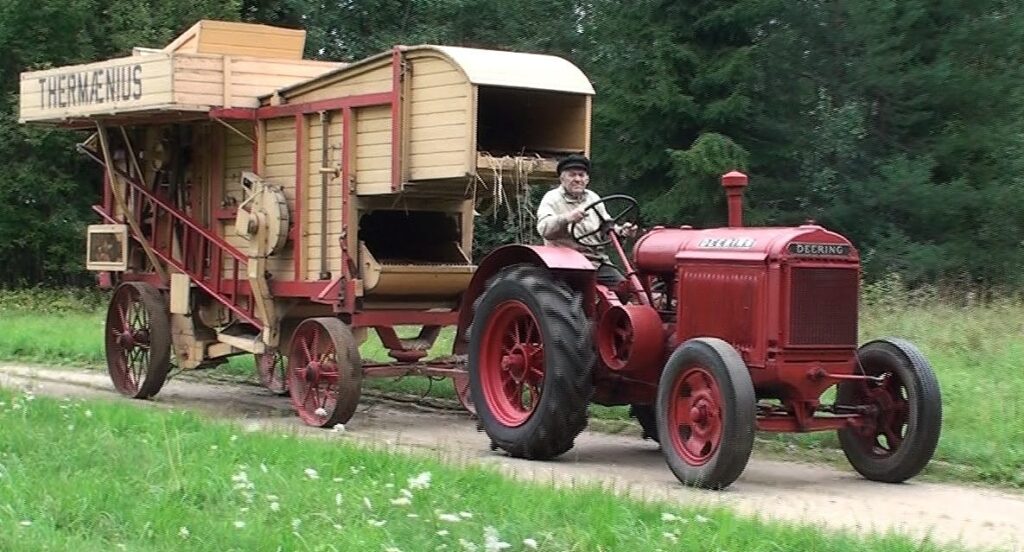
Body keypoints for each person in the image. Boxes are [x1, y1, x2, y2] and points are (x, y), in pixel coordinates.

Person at [536, 154, 636, 287]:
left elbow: (606, 227)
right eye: (572, 175)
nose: (577, 179)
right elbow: (544, 229)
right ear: (562, 178)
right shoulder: (552, 198)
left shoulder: (593, 198)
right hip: (564, 262)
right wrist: (567, 218)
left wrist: (622, 231)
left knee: (625, 288)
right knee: (570, 298)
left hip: (595, 260)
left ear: (587, 179)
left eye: (581, 175)